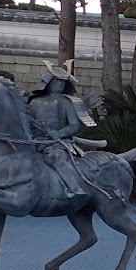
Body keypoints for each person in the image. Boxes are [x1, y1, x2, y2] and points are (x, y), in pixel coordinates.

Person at [27, 61, 98, 198]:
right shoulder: (34, 102)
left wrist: (58, 133)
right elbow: (28, 123)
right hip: (35, 142)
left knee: (58, 157)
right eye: (57, 80)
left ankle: (74, 188)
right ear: (48, 82)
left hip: (58, 144)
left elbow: (75, 125)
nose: (60, 84)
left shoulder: (66, 102)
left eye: (63, 81)